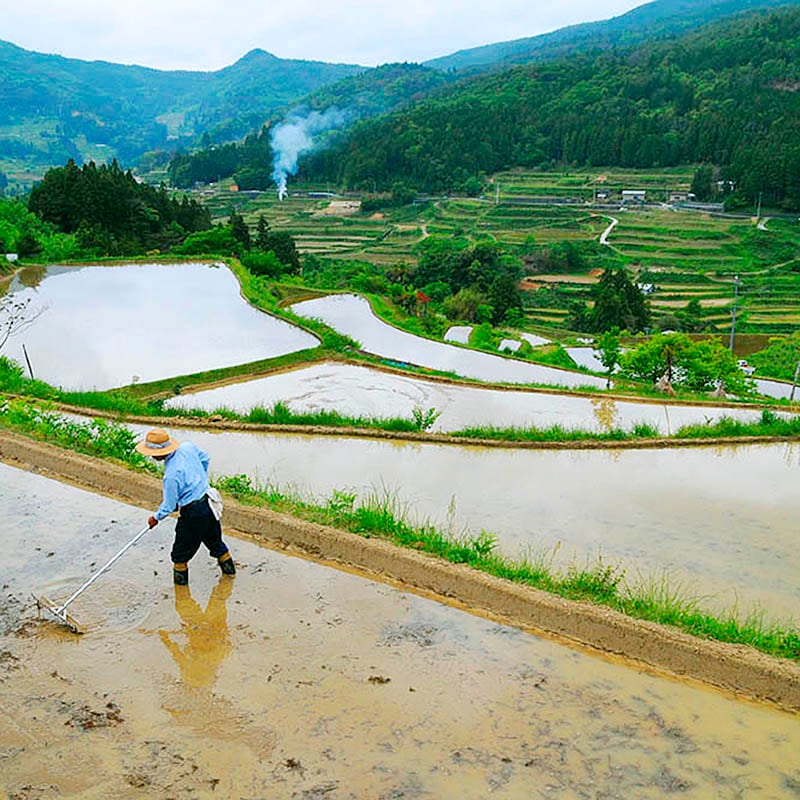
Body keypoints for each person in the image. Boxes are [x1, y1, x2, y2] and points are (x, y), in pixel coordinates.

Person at [136, 428, 235, 585]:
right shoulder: (188, 447)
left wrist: (155, 518)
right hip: (209, 504)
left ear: (159, 453)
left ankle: (182, 596)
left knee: (179, 555)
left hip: (193, 513)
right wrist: (199, 479)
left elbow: (169, 506)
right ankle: (230, 577)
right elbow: (205, 459)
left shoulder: (171, 476)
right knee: (216, 544)